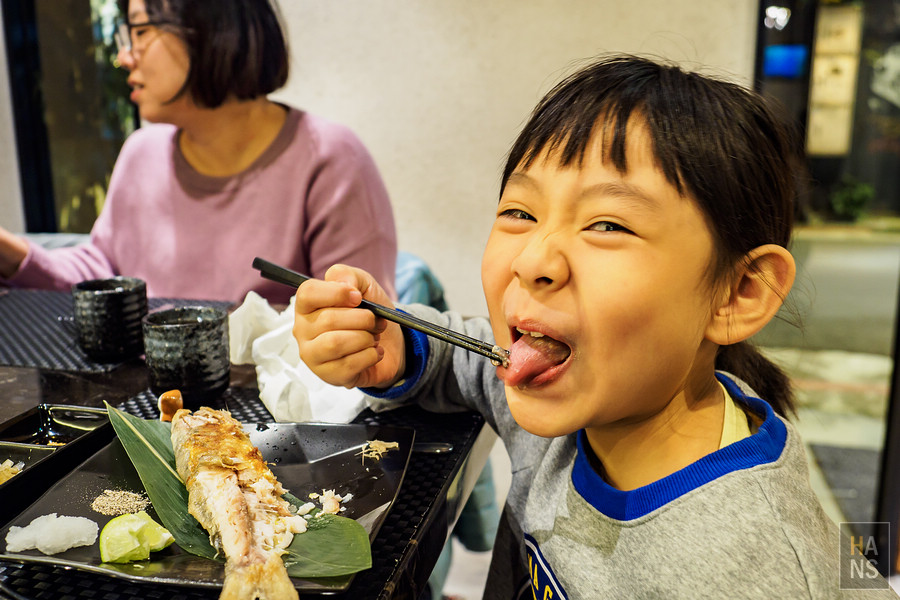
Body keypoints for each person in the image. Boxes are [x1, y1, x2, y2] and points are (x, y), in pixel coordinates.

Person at [291, 55, 899, 598]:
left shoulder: (743, 571)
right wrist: (396, 344)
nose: (533, 260)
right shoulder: (575, 387)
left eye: (607, 225)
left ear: (739, 292)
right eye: (519, 212)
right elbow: (466, 355)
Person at [0, 0, 397, 305]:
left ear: (210, 28)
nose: (124, 57)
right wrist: (11, 254)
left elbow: (363, 334)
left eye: (139, 32)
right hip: (148, 404)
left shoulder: (328, 159)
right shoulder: (142, 153)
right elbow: (104, 271)